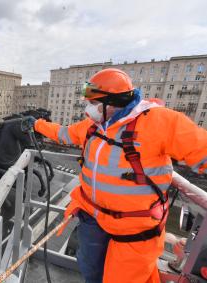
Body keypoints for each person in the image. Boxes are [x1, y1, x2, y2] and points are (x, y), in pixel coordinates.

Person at [27, 68, 207, 283]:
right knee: (89, 267)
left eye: (94, 103)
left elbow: (201, 151)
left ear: (113, 102)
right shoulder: (94, 126)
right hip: (93, 216)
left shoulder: (161, 121)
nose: (88, 109)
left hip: (135, 226)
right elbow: (64, 133)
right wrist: (36, 124)